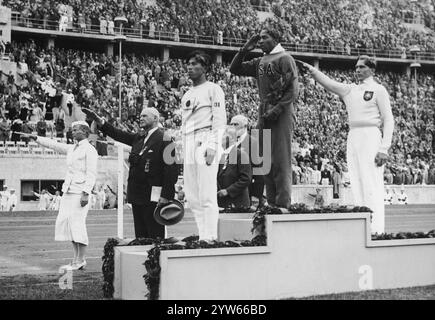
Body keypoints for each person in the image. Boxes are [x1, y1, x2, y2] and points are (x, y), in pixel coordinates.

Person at [297, 55, 394, 234]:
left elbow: (388, 119)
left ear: (372, 70)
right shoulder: (350, 90)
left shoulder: (378, 90)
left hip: (371, 134)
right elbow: (330, 84)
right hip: (354, 135)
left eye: (362, 67)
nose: (357, 70)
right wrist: (312, 71)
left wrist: (384, 148)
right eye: (356, 67)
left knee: (370, 180)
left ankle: (377, 229)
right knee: (356, 180)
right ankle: (363, 224)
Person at [83, 107, 178, 239]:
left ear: (155, 118)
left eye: (145, 116)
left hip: (154, 196)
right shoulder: (138, 137)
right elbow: (118, 134)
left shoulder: (167, 140)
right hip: (137, 194)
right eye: (140, 116)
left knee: (155, 235)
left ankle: (156, 259)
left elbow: (172, 169)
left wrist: (166, 195)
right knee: (140, 236)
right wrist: (101, 122)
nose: (141, 118)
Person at [230, 27, 299, 209]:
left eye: (264, 37)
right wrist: (244, 50)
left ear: (275, 39)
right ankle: (271, 202)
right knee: (265, 160)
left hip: (281, 111)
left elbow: (293, 89)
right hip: (264, 111)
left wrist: (277, 109)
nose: (259, 41)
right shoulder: (261, 60)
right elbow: (235, 69)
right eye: (258, 39)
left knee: (281, 159)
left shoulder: (285, 58)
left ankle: (283, 204)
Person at [24, 121, 98, 271]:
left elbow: (91, 173)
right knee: (69, 225)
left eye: (76, 129)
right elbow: (54, 145)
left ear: (84, 132)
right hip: (68, 191)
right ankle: (76, 259)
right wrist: (36, 138)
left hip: (80, 192)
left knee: (78, 225)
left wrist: (86, 193)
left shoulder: (89, 150)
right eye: (72, 129)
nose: (72, 131)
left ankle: (81, 259)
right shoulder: (72, 148)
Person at [181, 50, 227, 241]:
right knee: (192, 196)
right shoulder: (187, 93)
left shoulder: (213, 89)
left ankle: (210, 237)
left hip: (205, 138)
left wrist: (213, 145)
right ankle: (202, 235)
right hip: (189, 139)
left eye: (194, 64)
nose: (190, 68)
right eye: (188, 64)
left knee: (207, 193)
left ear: (205, 68)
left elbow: (219, 118)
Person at [230, 115, 265, 208]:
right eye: (231, 124)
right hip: (231, 192)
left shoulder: (253, 143)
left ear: (245, 126)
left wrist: (255, 198)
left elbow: (259, 172)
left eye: (236, 124)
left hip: (247, 193)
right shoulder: (229, 143)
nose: (232, 127)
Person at [217, 127, 252, 211]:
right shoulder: (222, 156)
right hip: (224, 204)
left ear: (231, 138)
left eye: (222, 136)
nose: (219, 138)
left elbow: (246, 179)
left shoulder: (241, 155)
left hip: (238, 205)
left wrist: (228, 191)